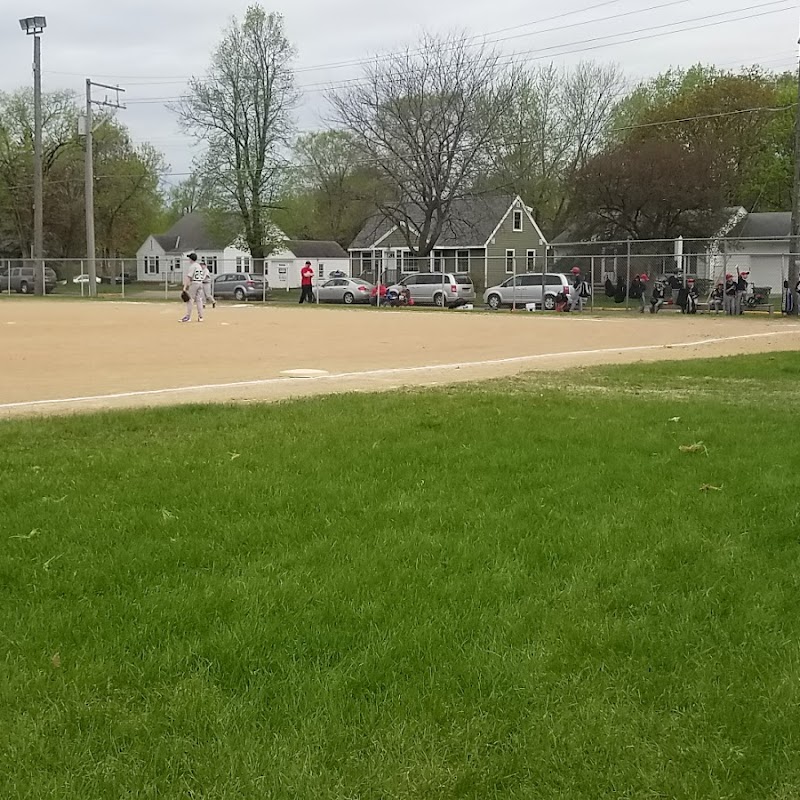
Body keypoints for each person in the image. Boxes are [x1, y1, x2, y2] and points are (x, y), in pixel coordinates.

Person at [181, 252, 210, 323]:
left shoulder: (192, 266)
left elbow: (189, 277)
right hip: (200, 283)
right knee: (199, 300)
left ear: (191, 259)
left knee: (190, 300)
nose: (189, 260)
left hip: (194, 283)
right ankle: (200, 317)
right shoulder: (199, 266)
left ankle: (188, 317)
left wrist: (185, 287)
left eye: (189, 258)